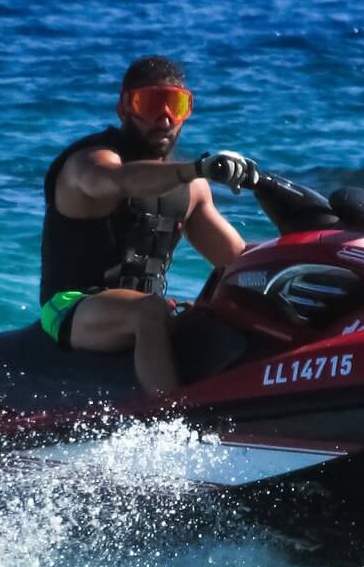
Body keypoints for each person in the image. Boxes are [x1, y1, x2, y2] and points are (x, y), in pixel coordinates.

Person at [38, 56, 257, 396]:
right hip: (70, 307)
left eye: (176, 105)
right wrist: (197, 169)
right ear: (124, 108)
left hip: (139, 311)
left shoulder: (193, 190)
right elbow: (119, 181)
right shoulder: (90, 162)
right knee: (149, 311)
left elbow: (237, 260)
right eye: (151, 103)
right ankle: (171, 425)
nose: (165, 117)